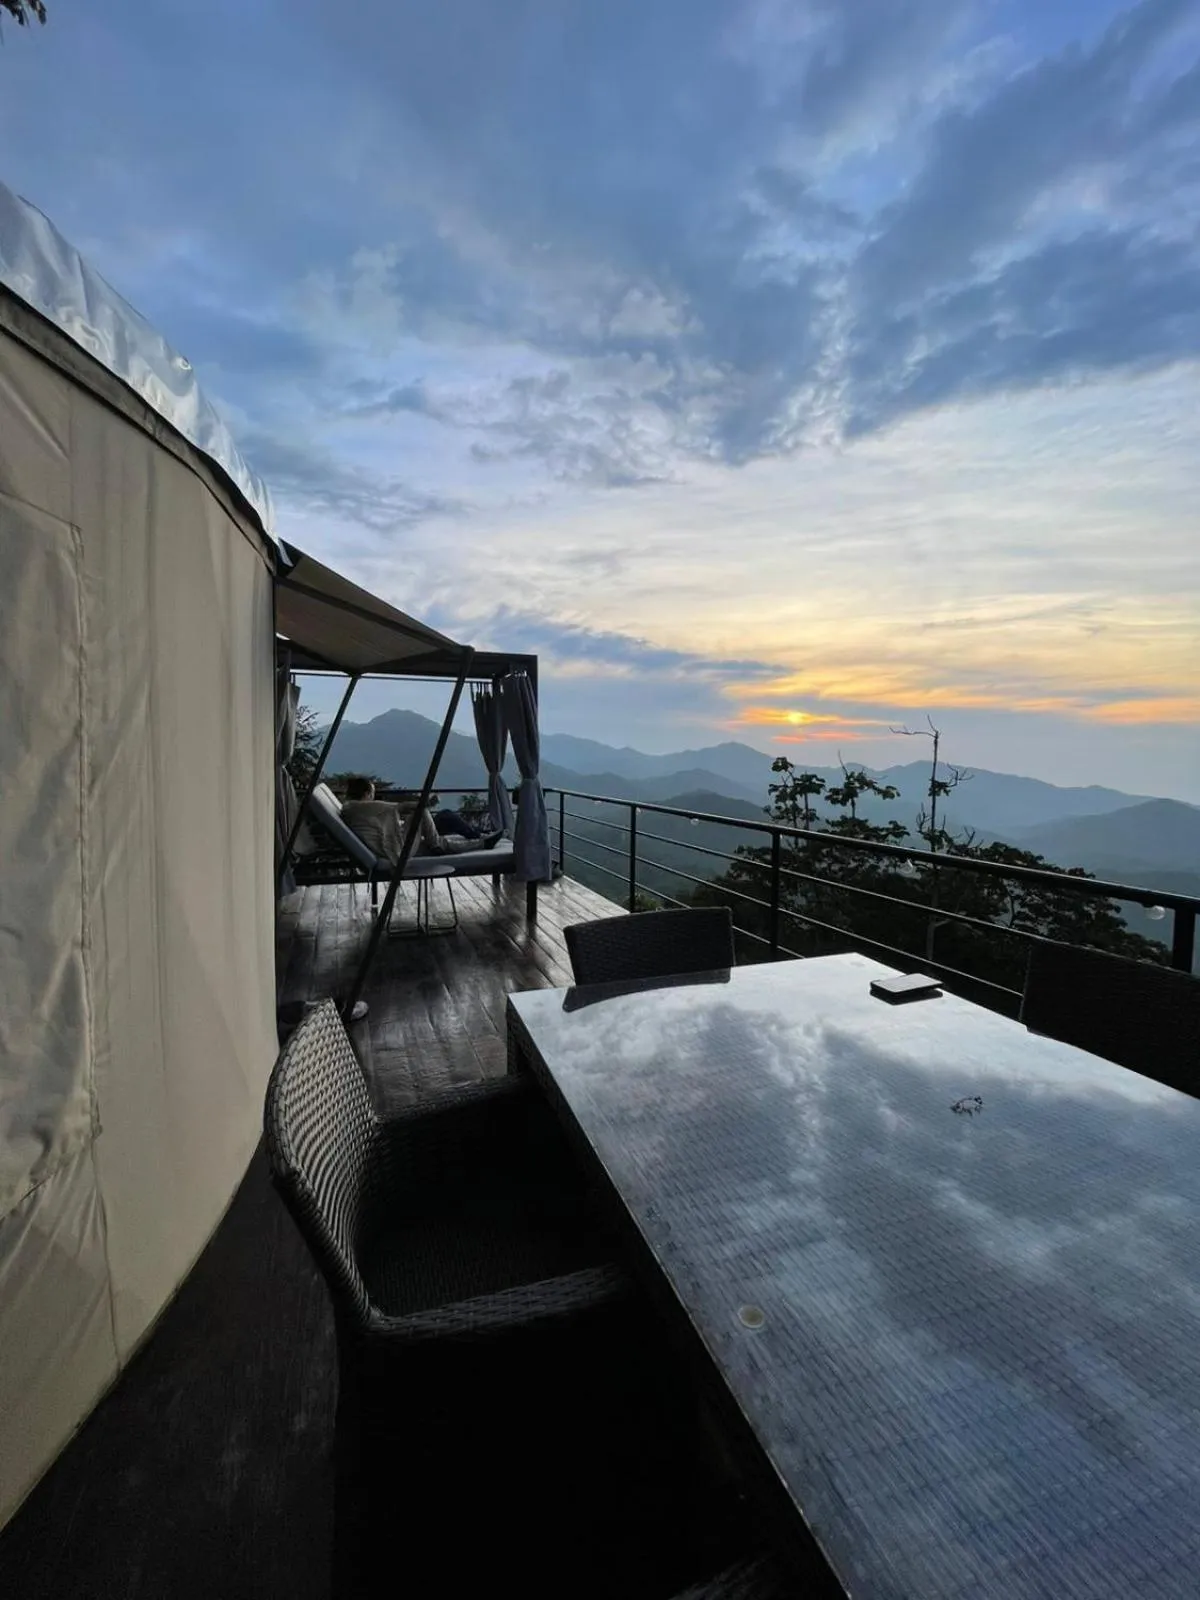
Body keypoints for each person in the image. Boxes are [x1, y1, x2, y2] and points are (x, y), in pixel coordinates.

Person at [340, 778, 503, 862]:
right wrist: (429, 803)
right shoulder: (363, 807)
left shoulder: (350, 809)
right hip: (398, 850)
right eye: (373, 793)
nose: (374, 797)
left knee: (444, 822)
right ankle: (477, 838)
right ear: (367, 794)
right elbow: (402, 807)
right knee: (430, 813)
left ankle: (482, 841)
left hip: (399, 843)